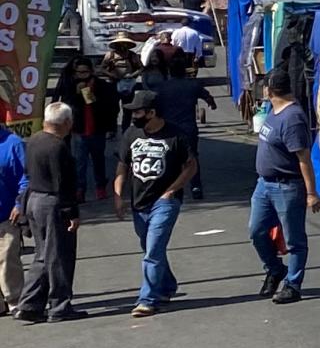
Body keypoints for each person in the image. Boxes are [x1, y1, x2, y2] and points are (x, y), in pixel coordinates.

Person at [114, 88, 197, 317]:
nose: (133, 116)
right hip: (139, 202)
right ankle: (167, 285)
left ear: (152, 113)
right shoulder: (131, 134)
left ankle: (147, 299)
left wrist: (171, 191)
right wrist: (118, 195)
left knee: (153, 250)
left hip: (165, 202)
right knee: (150, 247)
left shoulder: (176, 135)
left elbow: (191, 166)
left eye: (138, 112)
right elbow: (122, 166)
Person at [248, 70, 320, 303]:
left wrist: (311, 193)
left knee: (294, 240)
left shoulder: (292, 118)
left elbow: (304, 158)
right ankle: (275, 268)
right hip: (264, 185)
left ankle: (293, 285)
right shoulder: (274, 110)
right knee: (257, 231)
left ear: (269, 90)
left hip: (287, 186)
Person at [17, 101, 82, 322]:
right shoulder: (58, 147)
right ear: (66, 123)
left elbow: (28, 173)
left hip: (34, 199)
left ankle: (30, 304)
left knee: (42, 254)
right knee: (59, 255)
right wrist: (71, 212)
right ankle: (59, 305)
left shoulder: (34, 140)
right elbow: (63, 183)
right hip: (52, 202)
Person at [142, 52, 214, 201]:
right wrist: (211, 104)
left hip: (168, 129)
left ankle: (171, 187)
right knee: (192, 157)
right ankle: (196, 186)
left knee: (169, 158)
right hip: (188, 128)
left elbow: (154, 106)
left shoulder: (162, 88)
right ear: (184, 70)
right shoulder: (193, 85)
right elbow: (208, 98)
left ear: (170, 71)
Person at [55, 57, 116, 202]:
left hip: (97, 129)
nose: (82, 75)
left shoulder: (101, 85)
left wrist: (86, 92)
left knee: (98, 160)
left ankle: (100, 187)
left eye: (85, 72)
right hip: (79, 130)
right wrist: (76, 94)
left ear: (91, 71)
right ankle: (80, 190)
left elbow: (104, 106)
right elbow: (66, 105)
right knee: (79, 162)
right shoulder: (70, 85)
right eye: (79, 72)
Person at [0, 124, 25, 316]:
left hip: (7, 214)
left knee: (8, 258)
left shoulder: (13, 143)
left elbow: (26, 177)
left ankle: (15, 299)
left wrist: (19, 204)